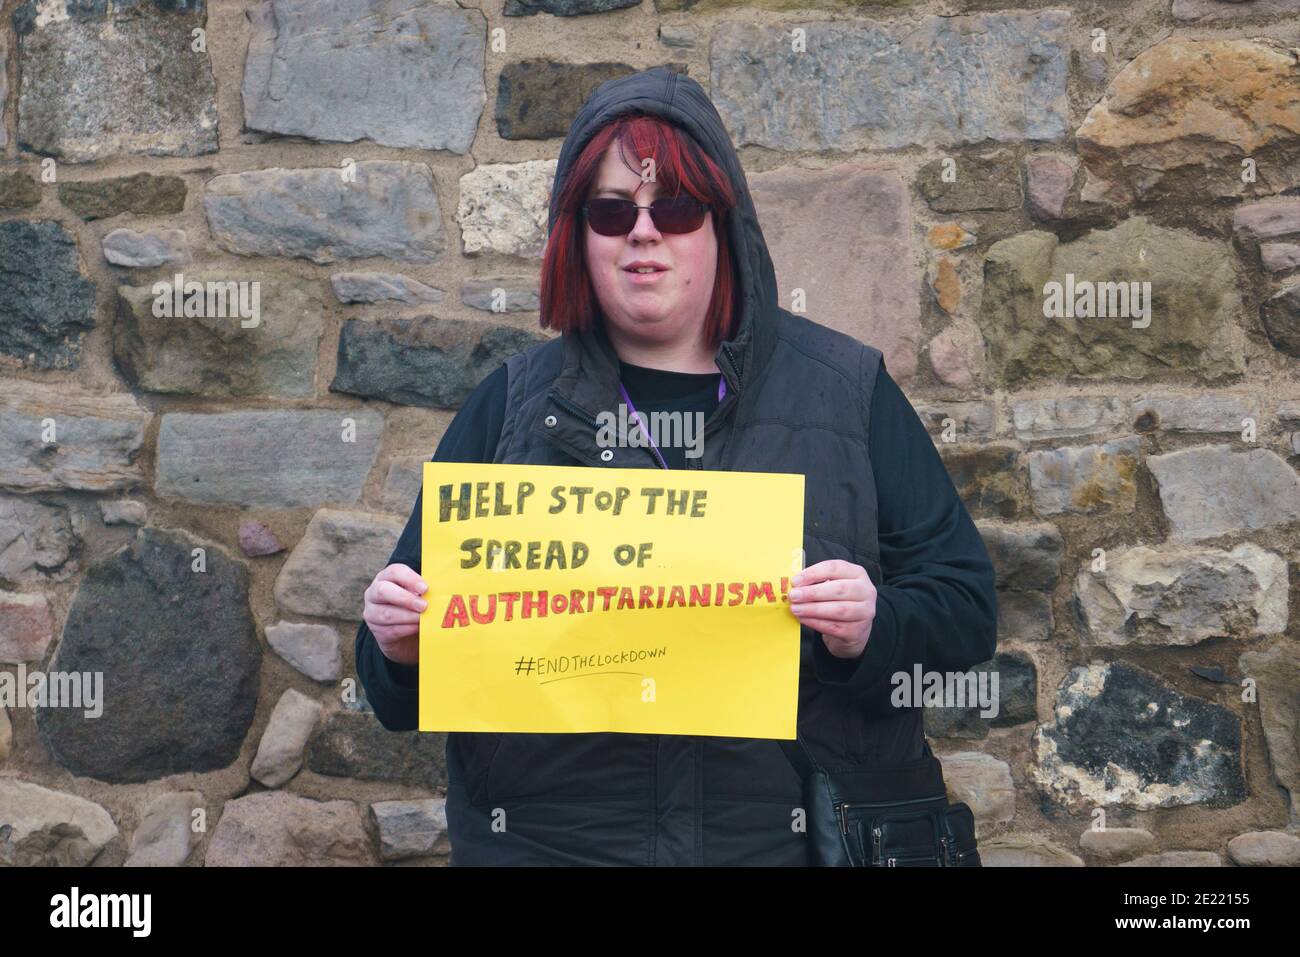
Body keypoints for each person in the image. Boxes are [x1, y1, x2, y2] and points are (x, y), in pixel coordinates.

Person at [355, 66, 998, 865]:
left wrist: (873, 627)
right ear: (577, 235)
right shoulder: (509, 406)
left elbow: (968, 609)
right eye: (611, 209)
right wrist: (396, 642)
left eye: (678, 207)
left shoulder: (846, 393)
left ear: (722, 225)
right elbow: (395, 692)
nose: (643, 232)